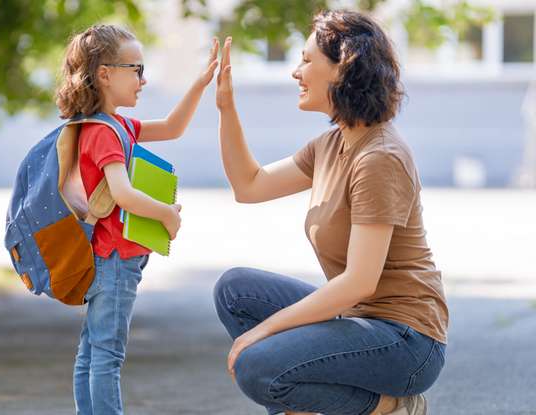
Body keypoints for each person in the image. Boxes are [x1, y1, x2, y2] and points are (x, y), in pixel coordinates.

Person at [212, 10, 449, 415]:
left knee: (258, 366)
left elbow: (359, 282)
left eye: (306, 60)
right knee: (235, 290)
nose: (296, 72)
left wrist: (264, 333)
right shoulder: (330, 145)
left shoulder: (380, 157)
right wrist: (226, 107)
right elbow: (249, 186)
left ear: (344, 68)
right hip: (360, 319)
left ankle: (394, 406)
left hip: (407, 340)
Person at [55, 24, 219, 415]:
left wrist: (199, 84)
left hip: (104, 256)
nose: (143, 80)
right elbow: (124, 193)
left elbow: (172, 128)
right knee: (107, 355)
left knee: (91, 351)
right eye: (136, 69)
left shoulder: (111, 126)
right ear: (105, 74)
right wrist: (167, 214)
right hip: (114, 259)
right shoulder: (105, 133)